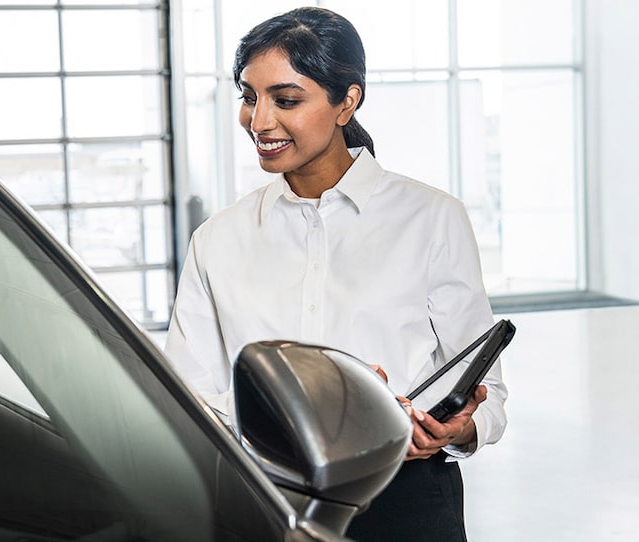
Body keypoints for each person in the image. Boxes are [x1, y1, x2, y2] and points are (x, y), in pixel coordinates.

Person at [163, 7, 507, 541]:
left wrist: (461, 429)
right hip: (263, 499)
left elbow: (486, 390)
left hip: (406, 502)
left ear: (348, 101)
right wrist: (300, 412)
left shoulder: (432, 218)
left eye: (286, 100)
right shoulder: (218, 239)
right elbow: (188, 396)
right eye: (249, 97)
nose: (259, 122)